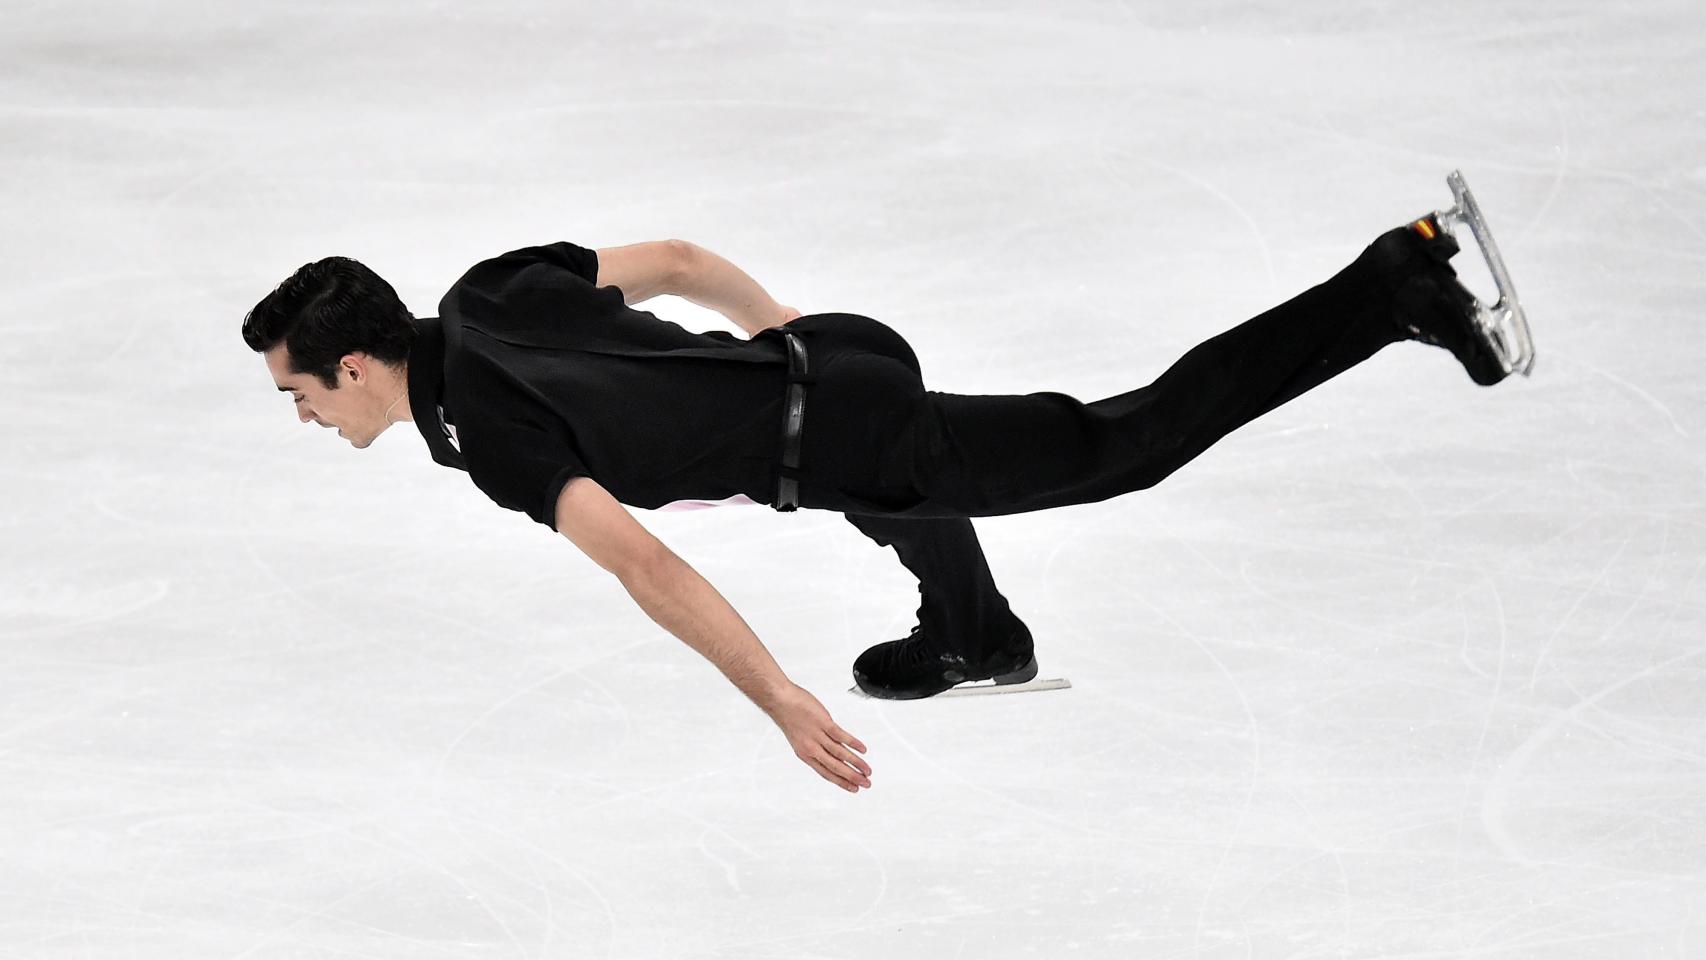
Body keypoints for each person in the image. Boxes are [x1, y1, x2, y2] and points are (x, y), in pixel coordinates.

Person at [242, 191, 1532, 795]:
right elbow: (682, 259)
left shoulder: (488, 433)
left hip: (834, 426)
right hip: (826, 364)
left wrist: (783, 698)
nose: (306, 415)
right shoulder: (488, 287)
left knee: (1123, 444)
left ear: (354, 365)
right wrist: (796, 344)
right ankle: (975, 632)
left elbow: (649, 569)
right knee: (892, 483)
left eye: (302, 391)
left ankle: (1391, 287)